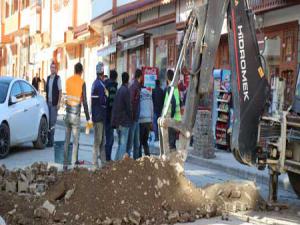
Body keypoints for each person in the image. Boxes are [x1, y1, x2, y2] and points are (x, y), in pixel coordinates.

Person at [64, 62, 91, 170]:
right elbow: (84, 101)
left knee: (66, 141)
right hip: (75, 115)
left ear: (74, 70)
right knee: (75, 142)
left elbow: (69, 96)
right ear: (81, 72)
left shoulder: (68, 81)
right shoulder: (82, 82)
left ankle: (65, 164)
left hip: (67, 114)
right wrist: (88, 118)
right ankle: (73, 165)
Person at [111, 72, 132, 160]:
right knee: (123, 145)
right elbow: (128, 107)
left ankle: (116, 163)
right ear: (128, 80)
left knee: (120, 144)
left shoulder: (119, 90)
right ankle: (118, 165)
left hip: (118, 121)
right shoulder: (126, 91)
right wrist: (131, 117)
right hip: (124, 122)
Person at [91, 62, 107, 168]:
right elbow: (103, 101)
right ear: (102, 72)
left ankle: (103, 163)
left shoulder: (95, 83)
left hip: (97, 115)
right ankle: (95, 163)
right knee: (98, 140)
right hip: (99, 116)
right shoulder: (100, 85)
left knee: (102, 141)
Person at [164, 69, 181, 150]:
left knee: (171, 143)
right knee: (172, 142)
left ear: (167, 78)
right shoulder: (176, 88)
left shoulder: (169, 88)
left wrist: (171, 117)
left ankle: (172, 160)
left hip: (172, 118)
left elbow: (173, 103)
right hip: (176, 118)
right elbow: (179, 102)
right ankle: (173, 159)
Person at [45, 62, 62, 147]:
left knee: (52, 122)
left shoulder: (58, 78)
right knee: (48, 122)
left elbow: (60, 91)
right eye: (51, 67)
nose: (52, 69)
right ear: (50, 68)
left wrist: (59, 103)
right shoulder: (48, 78)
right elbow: (47, 91)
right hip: (48, 103)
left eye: (54, 68)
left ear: (56, 69)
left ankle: (51, 140)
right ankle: (49, 140)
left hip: (54, 104)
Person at [127, 69, 142, 159]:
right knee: (131, 142)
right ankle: (128, 160)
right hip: (134, 118)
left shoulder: (135, 85)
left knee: (136, 142)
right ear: (140, 76)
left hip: (136, 118)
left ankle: (135, 161)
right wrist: (132, 116)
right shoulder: (135, 86)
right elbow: (132, 102)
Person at [104, 70, 118, 161]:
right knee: (110, 138)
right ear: (116, 77)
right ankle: (107, 158)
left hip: (105, 115)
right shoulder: (112, 87)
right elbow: (112, 103)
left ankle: (105, 156)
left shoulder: (105, 85)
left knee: (108, 137)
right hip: (110, 116)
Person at [139, 86, 153, 157]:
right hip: (148, 120)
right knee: (145, 141)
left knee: (140, 141)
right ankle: (148, 157)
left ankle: (139, 157)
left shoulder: (139, 94)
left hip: (141, 120)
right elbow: (151, 107)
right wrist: (151, 120)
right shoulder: (149, 94)